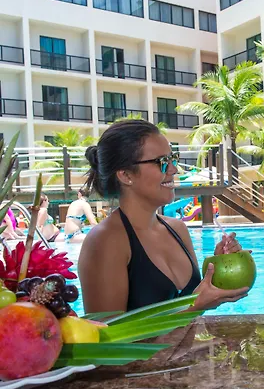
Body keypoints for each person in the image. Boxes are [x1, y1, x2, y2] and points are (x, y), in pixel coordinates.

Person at [78, 120, 249, 313]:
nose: (173, 169)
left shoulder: (178, 229)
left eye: (172, 159)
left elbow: (190, 305)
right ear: (125, 175)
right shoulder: (105, 241)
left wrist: (219, 271)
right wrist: (195, 307)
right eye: (161, 162)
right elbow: (106, 331)